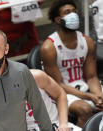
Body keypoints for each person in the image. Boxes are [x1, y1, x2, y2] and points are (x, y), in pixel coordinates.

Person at [40, 0, 103, 128]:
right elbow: (58, 84)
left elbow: (91, 76)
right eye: (67, 12)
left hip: (85, 89)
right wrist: (89, 97)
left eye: (74, 11)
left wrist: (98, 95)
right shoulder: (49, 48)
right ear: (58, 20)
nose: (73, 15)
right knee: (85, 110)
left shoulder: (88, 42)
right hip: (62, 93)